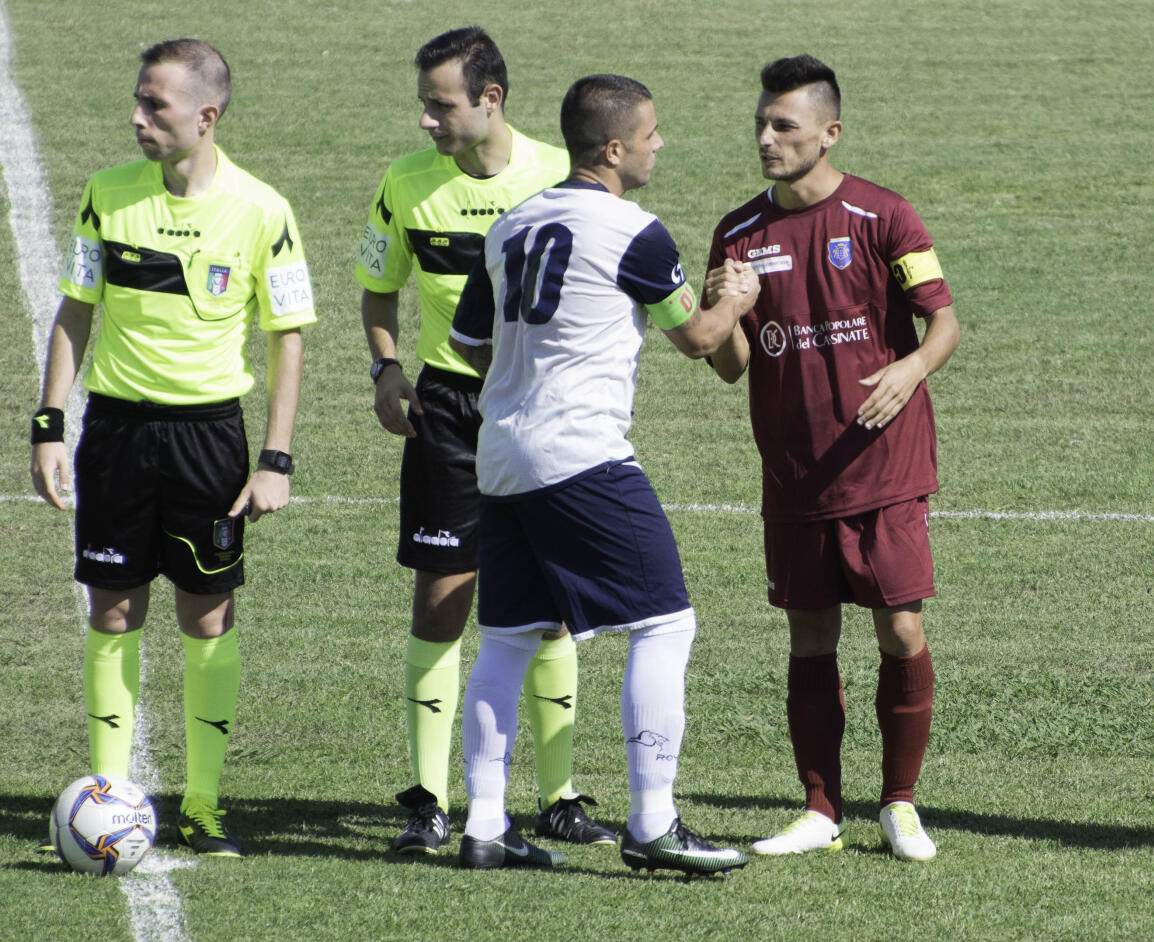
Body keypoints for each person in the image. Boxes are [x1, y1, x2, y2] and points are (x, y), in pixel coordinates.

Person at [448, 73, 759, 874]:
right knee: (665, 623)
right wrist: (739, 299)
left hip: (502, 457)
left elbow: (470, 344)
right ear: (615, 149)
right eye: (652, 134)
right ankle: (653, 824)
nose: (661, 144)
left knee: (507, 639)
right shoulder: (633, 231)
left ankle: (484, 825)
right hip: (581, 454)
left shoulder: (511, 224)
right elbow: (699, 340)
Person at [29, 39, 316, 858]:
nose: (137, 117)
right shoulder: (106, 194)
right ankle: (108, 795)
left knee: (208, 613)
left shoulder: (263, 209)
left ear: (206, 115)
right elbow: (76, 308)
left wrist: (275, 459)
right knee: (113, 608)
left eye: (154, 105)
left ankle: (203, 802)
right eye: (138, 100)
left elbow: (288, 336)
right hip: (116, 434)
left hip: (208, 439)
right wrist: (50, 423)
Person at [354, 27, 615, 856]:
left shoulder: (559, 176)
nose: (426, 120)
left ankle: (560, 797)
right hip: (447, 411)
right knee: (442, 601)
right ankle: (429, 802)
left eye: (441, 105)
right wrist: (386, 369)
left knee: (552, 609)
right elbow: (377, 290)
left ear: (490, 99)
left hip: (542, 409)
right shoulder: (404, 183)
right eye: (424, 105)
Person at [704, 54, 960, 862]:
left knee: (901, 627)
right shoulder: (739, 234)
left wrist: (911, 368)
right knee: (809, 634)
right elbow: (731, 364)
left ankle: (900, 804)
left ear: (829, 132)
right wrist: (727, 312)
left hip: (885, 466)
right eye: (760, 123)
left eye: (783, 125)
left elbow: (944, 322)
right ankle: (820, 811)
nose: (765, 138)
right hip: (796, 471)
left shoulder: (883, 216)